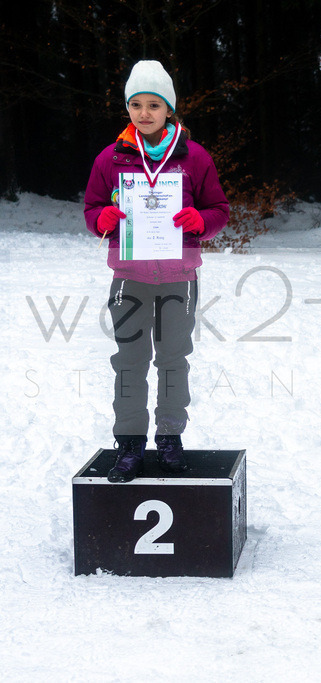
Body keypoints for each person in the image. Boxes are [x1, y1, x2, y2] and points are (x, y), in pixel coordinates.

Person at [84, 60, 229, 482]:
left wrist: (201, 222)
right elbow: (92, 209)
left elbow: (218, 209)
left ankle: (169, 437)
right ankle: (129, 443)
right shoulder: (109, 158)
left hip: (179, 279)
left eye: (154, 104)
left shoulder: (195, 157)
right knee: (129, 361)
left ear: (170, 109)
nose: (144, 113)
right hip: (128, 278)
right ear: (127, 109)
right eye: (136, 104)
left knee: (172, 359)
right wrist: (103, 219)